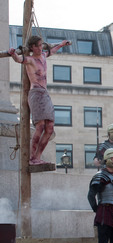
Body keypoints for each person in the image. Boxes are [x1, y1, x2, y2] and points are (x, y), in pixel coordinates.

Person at [8, 36, 70, 165]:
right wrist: (13, 54)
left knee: (50, 128)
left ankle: (38, 156)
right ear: (32, 47)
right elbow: (19, 60)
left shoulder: (43, 56)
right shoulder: (30, 60)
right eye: (38, 45)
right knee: (40, 126)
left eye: (41, 45)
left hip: (44, 93)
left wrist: (61, 45)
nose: (40, 47)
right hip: (35, 93)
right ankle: (32, 158)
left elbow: (52, 51)